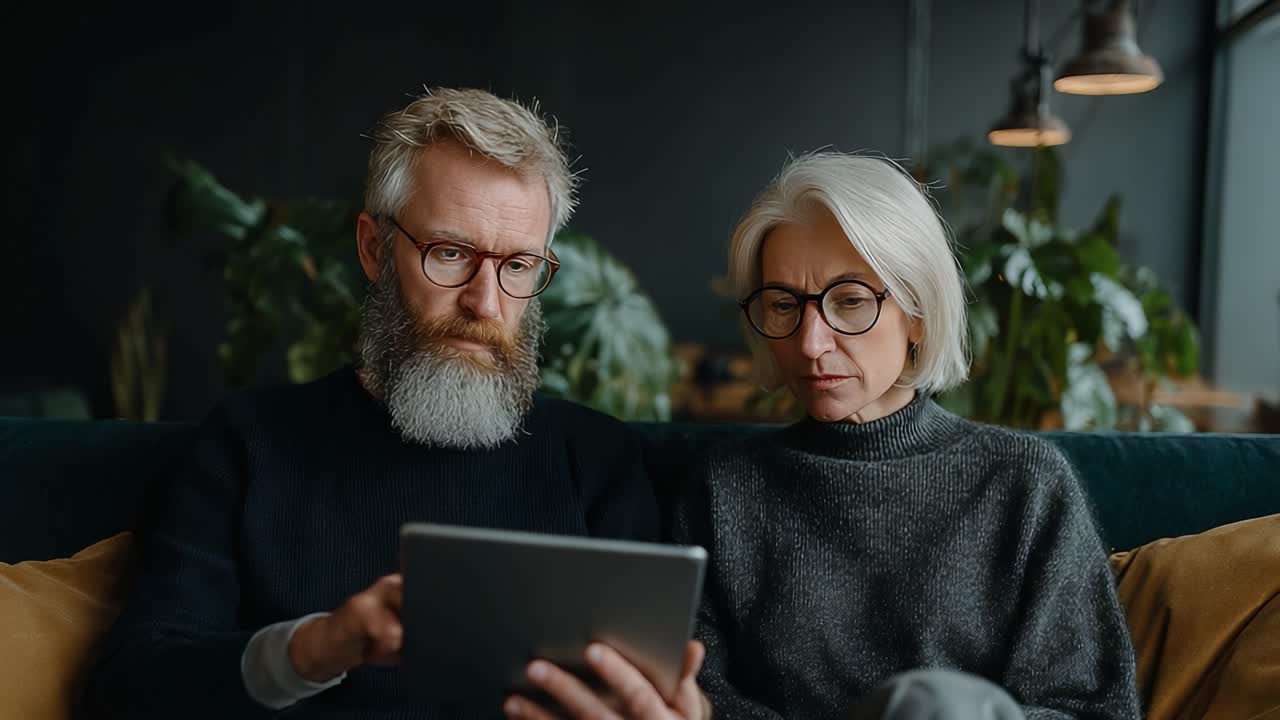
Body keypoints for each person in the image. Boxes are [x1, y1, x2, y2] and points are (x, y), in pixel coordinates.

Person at [86, 87, 670, 719]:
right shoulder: (250, 442)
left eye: (519, 265)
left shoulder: (600, 462)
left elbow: (653, 692)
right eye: (450, 254)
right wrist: (316, 648)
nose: (485, 302)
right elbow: (131, 687)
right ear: (373, 249)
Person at [512, 152, 1141, 719]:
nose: (811, 344)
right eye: (784, 305)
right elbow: (695, 699)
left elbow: (1094, 708)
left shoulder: (1023, 483)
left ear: (918, 313)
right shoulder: (725, 487)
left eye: (849, 301)